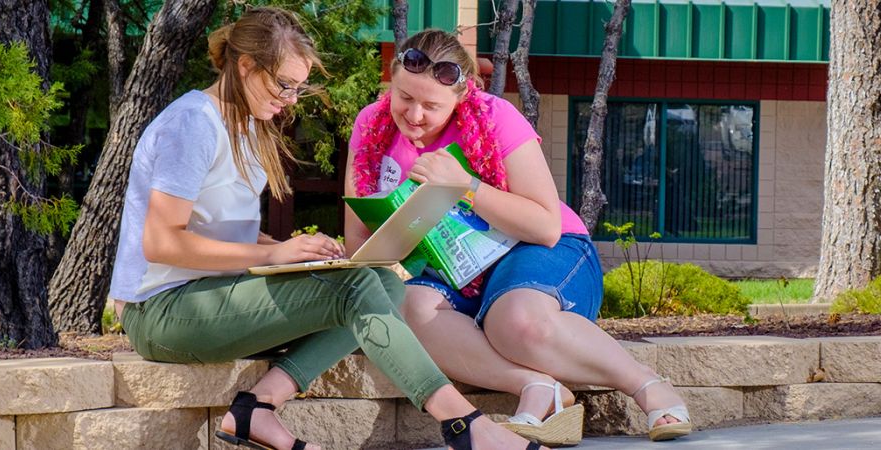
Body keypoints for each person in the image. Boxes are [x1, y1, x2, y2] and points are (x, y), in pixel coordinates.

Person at [108, 9, 539, 450]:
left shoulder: (245, 126)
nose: (292, 99)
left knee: (383, 285)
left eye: (298, 87)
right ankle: (464, 425)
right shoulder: (193, 124)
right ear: (245, 67)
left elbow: (217, 230)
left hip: (210, 294)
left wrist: (291, 249)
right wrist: (270, 256)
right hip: (159, 313)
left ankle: (257, 407)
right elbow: (161, 242)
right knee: (356, 291)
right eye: (285, 85)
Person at [345, 29, 693, 446]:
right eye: (404, 97)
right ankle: (537, 386)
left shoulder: (496, 117)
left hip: (537, 249)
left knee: (515, 321)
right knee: (407, 305)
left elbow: (544, 225)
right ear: (392, 80)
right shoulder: (371, 124)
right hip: (448, 266)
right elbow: (359, 243)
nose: (415, 115)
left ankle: (649, 387)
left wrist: (466, 186)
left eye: (431, 105)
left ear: (462, 97)